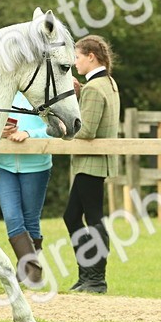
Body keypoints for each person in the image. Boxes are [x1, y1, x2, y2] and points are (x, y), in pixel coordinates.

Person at [64, 34, 120, 293]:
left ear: (90, 57)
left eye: (77, 57)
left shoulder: (95, 89)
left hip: (91, 163)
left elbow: (85, 131)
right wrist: (80, 91)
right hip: (97, 163)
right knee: (74, 215)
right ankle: (88, 275)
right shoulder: (107, 83)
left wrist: (62, 128)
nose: (74, 63)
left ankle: (95, 277)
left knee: (91, 216)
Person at [0, 90, 53, 288]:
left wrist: (29, 134)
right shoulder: (2, 92)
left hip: (36, 166)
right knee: (12, 217)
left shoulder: (43, 93)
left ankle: (26, 273)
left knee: (31, 221)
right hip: (3, 165)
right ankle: (34, 275)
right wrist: (0, 132)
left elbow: (58, 129)